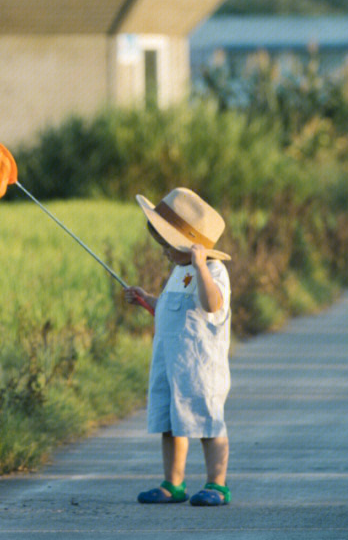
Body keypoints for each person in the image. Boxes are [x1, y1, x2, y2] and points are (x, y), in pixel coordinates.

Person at [123, 187, 232, 507]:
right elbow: (171, 309)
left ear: (192, 247)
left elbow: (211, 305)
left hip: (200, 366)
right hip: (170, 363)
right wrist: (146, 299)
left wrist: (200, 267)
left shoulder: (212, 272)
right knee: (171, 422)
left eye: (168, 244)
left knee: (207, 422)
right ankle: (173, 483)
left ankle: (217, 483)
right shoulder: (178, 272)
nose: (164, 251)